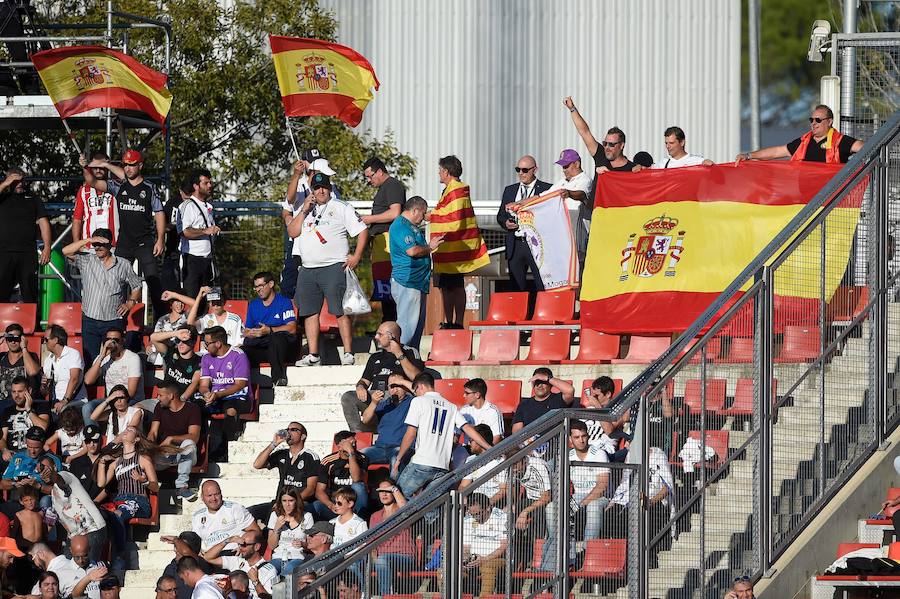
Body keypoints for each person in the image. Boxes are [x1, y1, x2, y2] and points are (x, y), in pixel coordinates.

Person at [290, 172, 369, 367]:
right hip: (308, 269)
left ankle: (348, 353)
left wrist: (356, 256)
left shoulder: (340, 207)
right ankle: (314, 355)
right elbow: (292, 232)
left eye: (324, 187)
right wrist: (303, 211)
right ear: (312, 191)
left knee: (340, 310)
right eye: (317, 188)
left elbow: (362, 230)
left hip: (334, 266)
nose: (321, 191)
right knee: (309, 312)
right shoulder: (305, 209)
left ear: (330, 188)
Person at [81, 150, 167, 318]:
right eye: (126, 165)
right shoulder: (118, 186)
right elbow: (91, 181)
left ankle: (161, 321)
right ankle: (114, 319)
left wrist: (160, 239)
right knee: (115, 281)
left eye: (132, 165)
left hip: (145, 242)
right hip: (124, 243)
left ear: (140, 166)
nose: (128, 169)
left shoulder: (149, 188)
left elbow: (159, 213)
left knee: (153, 280)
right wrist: (85, 166)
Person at [393, 372, 492, 497]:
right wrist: (488, 447)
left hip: (422, 462)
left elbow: (411, 433)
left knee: (398, 496)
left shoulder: (418, 401)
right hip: (442, 466)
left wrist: (399, 458)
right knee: (431, 507)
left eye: (415, 390)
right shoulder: (451, 406)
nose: (415, 393)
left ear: (421, 386)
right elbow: (467, 428)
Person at [61, 229, 142, 367]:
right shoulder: (87, 259)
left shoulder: (123, 264)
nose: (97, 247)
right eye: (95, 244)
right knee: (89, 361)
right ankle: (92, 388)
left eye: (101, 244)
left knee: (115, 360)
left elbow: (137, 286)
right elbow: (65, 251)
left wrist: (130, 303)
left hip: (113, 320)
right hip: (90, 319)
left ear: (110, 245)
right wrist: (88, 240)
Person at [95, 426, 168, 569]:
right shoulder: (116, 463)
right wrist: (102, 464)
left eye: (130, 430)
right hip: (119, 501)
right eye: (125, 429)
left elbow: (156, 487)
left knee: (118, 514)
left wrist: (143, 481)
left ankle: (120, 557)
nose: (126, 431)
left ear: (136, 439)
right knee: (99, 513)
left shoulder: (143, 459)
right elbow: (101, 483)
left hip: (138, 501)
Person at [430, 155, 489, 329]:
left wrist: (431, 216)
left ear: (447, 172)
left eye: (440, 170)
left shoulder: (457, 190)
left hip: (454, 247)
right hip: (445, 247)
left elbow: (454, 218)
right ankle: (449, 321)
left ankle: (458, 322)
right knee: (446, 287)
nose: (439, 173)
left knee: (455, 286)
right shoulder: (450, 190)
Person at [340, 321, 423, 434]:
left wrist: (399, 354)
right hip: (375, 397)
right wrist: (360, 387)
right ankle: (358, 433)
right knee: (348, 397)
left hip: (397, 396)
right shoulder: (375, 356)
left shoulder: (410, 352)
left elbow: (418, 378)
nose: (376, 337)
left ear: (392, 336)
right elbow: (364, 380)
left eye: (380, 334)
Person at [279, 149, 338, 298]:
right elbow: (290, 201)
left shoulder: (330, 188)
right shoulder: (299, 184)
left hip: (322, 243)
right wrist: (296, 175)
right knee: (290, 284)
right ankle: (291, 319)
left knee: (319, 287)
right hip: (299, 243)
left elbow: (336, 208)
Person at [388, 197, 443, 349]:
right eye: (423, 213)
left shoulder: (410, 226)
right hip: (408, 281)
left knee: (416, 326)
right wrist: (430, 247)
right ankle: (400, 359)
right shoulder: (400, 226)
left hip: (417, 282)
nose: (424, 217)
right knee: (407, 327)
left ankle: (413, 359)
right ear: (414, 210)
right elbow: (412, 251)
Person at [735, 104, 863, 164]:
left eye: (818, 120)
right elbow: (777, 151)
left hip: (831, 201)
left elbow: (865, 147)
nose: (814, 123)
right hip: (805, 201)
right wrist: (748, 155)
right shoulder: (804, 142)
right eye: (811, 120)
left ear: (829, 122)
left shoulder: (841, 141)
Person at [497, 155, 553, 292]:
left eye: (525, 170)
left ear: (535, 170)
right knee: (516, 287)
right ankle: (519, 313)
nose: (521, 173)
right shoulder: (510, 190)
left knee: (542, 284)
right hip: (516, 244)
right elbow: (500, 216)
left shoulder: (546, 189)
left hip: (536, 244)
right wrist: (506, 223)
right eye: (518, 169)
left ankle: (541, 312)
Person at [35, 457, 107, 563]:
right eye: (42, 471)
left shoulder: (66, 475)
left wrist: (52, 475)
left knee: (89, 567)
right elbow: (50, 524)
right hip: (74, 536)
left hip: (92, 529)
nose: (45, 473)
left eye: (47, 469)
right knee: (69, 567)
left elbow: (59, 479)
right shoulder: (54, 497)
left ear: (55, 467)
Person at [361, 157, 407, 322]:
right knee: (383, 289)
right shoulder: (384, 188)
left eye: (370, 176)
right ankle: (387, 322)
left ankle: (391, 325)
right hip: (381, 244)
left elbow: (395, 213)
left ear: (379, 171)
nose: (368, 180)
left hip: (389, 243)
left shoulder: (393, 185)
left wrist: (370, 219)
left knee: (389, 288)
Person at [0, 167, 51, 303]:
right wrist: (5, 183)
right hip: (4, 253)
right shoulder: (3, 197)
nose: (20, 183)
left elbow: (43, 222)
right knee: (2, 292)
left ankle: (33, 324)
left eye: (22, 180)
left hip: (27, 253)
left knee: (30, 292)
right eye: (16, 180)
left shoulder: (33, 199)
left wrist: (47, 247)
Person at [250, 422, 319, 521]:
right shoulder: (282, 454)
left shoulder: (310, 457)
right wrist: (274, 444)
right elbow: (257, 465)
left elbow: (310, 489)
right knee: (250, 512)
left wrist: (290, 502)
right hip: (279, 503)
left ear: (303, 436)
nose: (288, 432)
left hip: (301, 502)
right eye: (287, 429)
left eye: (293, 430)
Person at [149, 380, 202, 501]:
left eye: (160, 395)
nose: (158, 398)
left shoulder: (192, 409)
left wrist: (171, 439)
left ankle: (182, 487)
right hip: (164, 454)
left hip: (184, 456)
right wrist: (148, 446)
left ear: (171, 396)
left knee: (189, 444)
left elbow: (194, 436)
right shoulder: (159, 408)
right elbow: (153, 432)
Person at [241, 272, 297, 387]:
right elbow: (246, 330)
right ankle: (242, 384)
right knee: (241, 351)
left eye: (260, 286)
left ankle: (278, 379)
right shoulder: (253, 305)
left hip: (281, 347)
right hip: (261, 345)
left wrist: (269, 330)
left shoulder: (284, 302)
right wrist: (252, 333)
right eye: (256, 287)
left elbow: (292, 328)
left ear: (271, 284)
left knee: (276, 338)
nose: (257, 290)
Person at [199, 326, 252, 447]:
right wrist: (207, 393)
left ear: (218, 343)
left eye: (207, 343)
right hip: (216, 397)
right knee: (195, 408)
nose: (205, 346)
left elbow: (240, 385)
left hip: (237, 396)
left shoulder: (238, 355)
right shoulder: (206, 358)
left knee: (230, 409)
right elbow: (203, 385)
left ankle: (227, 447)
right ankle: (202, 448)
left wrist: (217, 395)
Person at [84, 325, 145, 424]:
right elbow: (88, 380)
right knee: (87, 408)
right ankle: (93, 437)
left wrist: (113, 401)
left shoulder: (133, 358)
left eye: (116, 340)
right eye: (108, 339)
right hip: (110, 400)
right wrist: (102, 356)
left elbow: (131, 392)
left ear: (123, 341)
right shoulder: (103, 358)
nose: (112, 343)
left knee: (102, 412)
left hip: (130, 401)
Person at [177, 168, 220, 297]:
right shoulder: (188, 205)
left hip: (208, 259)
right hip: (192, 260)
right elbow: (185, 231)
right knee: (192, 298)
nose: (210, 186)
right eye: (205, 183)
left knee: (211, 298)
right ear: (196, 186)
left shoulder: (208, 207)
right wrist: (206, 231)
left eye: (210, 182)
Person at [201, 530, 278, 599]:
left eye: (244, 545)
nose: (240, 548)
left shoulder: (269, 570)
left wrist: (255, 581)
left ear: (256, 547)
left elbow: (268, 598)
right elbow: (208, 558)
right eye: (239, 544)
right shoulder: (237, 561)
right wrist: (228, 540)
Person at [360, 373, 415, 470]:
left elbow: (423, 393)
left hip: (400, 448)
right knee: (357, 458)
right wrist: (373, 403)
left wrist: (402, 382)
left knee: (396, 459)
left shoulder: (413, 402)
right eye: (392, 386)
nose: (395, 390)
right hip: (380, 448)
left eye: (399, 386)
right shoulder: (385, 404)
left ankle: (394, 485)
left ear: (405, 387)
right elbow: (365, 420)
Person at [568, 419, 610, 543]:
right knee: (553, 507)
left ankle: (588, 548)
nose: (581, 440)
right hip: (578, 496)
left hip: (601, 497)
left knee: (593, 506)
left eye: (583, 436)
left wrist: (582, 503)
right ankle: (560, 548)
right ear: (570, 439)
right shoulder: (567, 456)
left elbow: (602, 485)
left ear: (588, 436)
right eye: (576, 437)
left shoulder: (599, 454)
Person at [368, 479, 411, 596]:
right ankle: (363, 593)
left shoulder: (401, 510)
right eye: (381, 491)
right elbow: (372, 542)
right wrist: (373, 557)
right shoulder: (375, 516)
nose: (384, 494)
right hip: (382, 559)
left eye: (388, 490)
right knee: (355, 563)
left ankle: (386, 596)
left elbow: (406, 508)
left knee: (382, 559)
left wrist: (394, 489)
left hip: (404, 557)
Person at [312, 431, 368, 520]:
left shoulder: (362, 458)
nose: (353, 446)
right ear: (339, 446)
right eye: (349, 444)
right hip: (336, 504)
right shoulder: (327, 462)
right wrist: (331, 505)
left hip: (354, 504)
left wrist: (351, 454)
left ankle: (358, 521)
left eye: (354, 443)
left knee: (358, 486)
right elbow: (319, 491)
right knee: (316, 506)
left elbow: (356, 478)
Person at [192, 481, 259, 554]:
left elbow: (256, 531)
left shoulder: (234, 509)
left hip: (232, 552)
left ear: (221, 494)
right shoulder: (197, 516)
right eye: (209, 495)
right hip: (209, 555)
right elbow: (195, 541)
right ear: (202, 497)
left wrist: (244, 546)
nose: (214, 498)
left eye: (216, 494)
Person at [461, 492, 508, 597]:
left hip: (496, 558)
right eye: (472, 514)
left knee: (487, 568)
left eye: (477, 514)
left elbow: (504, 546)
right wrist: (465, 559)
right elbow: (466, 547)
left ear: (487, 508)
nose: (474, 518)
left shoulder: (502, 518)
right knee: (444, 571)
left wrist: (485, 559)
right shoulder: (468, 520)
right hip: (474, 559)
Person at [451, 378, 504, 469]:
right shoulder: (464, 410)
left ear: (477, 395)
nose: (464, 395)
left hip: (486, 451)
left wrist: (484, 453)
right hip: (467, 450)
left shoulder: (493, 411)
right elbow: (456, 435)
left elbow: (497, 437)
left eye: (467, 393)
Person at [72, 151, 116, 249]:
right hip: (90, 248)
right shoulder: (83, 190)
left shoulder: (117, 188)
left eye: (102, 166)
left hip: (113, 246)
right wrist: (77, 245)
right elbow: (77, 220)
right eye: (95, 167)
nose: (98, 170)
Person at [511, 367, 576, 433]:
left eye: (543, 382)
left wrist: (547, 378)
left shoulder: (558, 399)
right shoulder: (524, 404)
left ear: (551, 384)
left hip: (554, 441)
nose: (539, 386)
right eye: (537, 382)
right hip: (531, 442)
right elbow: (516, 431)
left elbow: (570, 390)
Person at [39, 325, 87, 414]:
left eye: (46, 339)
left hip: (75, 400)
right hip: (55, 401)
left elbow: (74, 379)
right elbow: (45, 393)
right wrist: (44, 386)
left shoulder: (73, 354)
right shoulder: (48, 360)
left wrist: (64, 401)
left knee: (64, 411)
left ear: (56, 340)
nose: (44, 342)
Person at [266, 488, 313, 575]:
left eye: (291, 501)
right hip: (278, 556)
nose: (287, 504)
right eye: (284, 501)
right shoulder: (275, 516)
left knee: (289, 569)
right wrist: (276, 528)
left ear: (297, 501)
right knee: (267, 571)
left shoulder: (307, 517)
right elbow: (272, 546)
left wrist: (303, 544)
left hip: (297, 556)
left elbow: (311, 545)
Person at [1, 376, 50, 461]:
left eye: (20, 391)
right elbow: (2, 438)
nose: (16, 395)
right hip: (13, 455)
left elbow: (42, 427)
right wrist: (5, 450)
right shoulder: (7, 411)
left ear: (29, 391)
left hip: (33, 454)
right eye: (13, 392)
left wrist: (29, 409)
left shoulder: (41, 407)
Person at [150, 324, 202, 402]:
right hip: (163, 399)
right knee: (137, 408)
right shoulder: (171, 352)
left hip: (181, 403)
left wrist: (180, 402)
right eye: (178, 340)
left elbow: (194, 383)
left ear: (193, 342)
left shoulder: (199, 361)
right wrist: (176, 333)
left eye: (184, 340)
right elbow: (153, 338)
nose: (180, 344)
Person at [160, 531, 214, 599]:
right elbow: (161, 593)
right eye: (176, 546)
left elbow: (186, 553)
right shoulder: (171, 568)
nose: (176, 550)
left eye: (179, 547)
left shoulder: (201, 564)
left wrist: (175, 539)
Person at [634, 126, 714, 171]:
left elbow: (714, 171)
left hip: (690, 200)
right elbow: (648, 171)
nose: (668, 146)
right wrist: (640, 167)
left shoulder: (697, 161)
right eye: (666, 143)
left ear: (682, 142)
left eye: (671, 143)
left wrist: (709, 164)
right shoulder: (663, 163)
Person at [67, 425, 108, 504]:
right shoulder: (76, 463)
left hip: (100, 505)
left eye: (95, 441)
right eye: (88, 441)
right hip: (79, 504)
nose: (92, 444)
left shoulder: (107, 461)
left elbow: (108, 489)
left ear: (101, 440)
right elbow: (71, 486)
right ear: (84, 443)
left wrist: (94, 504)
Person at [147, 291, 189, 366]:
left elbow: (195, 304)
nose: (180, 304)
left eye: (182, 302)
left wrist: (175, 295)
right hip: (166, 351)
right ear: (171, 304)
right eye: (177, 301)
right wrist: (149, 345)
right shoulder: (163, 319)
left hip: (181, 350)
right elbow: (155, 336)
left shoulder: (187, 316)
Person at [0, 324, 40, 399]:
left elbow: (32, 371)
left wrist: (24, 348)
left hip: (23, 404)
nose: (13, 342)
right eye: (9, 338)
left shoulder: (31, 356)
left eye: (16, 339)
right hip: (3, 404)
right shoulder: (1, 357)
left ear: (22, 339)